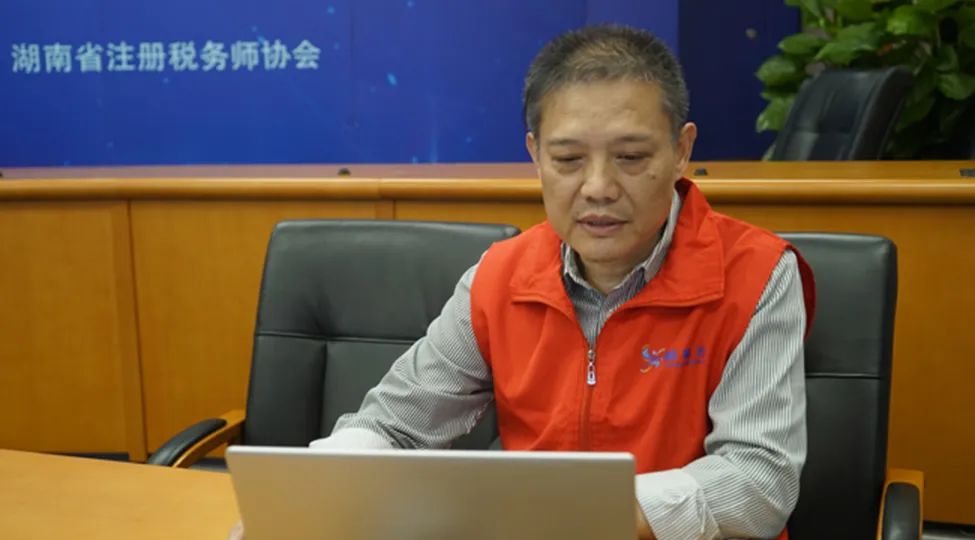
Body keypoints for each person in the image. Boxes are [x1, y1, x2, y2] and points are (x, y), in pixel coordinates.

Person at [236, 24, 815, 540]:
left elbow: (758, 481)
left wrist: (585, 514)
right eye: (568, 160)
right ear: (535, 154)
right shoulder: (500, 277)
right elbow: (394, 426)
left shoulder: (757, 275)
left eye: (631, 157)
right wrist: (306, 497)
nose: (598, 187)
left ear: (682, 150)